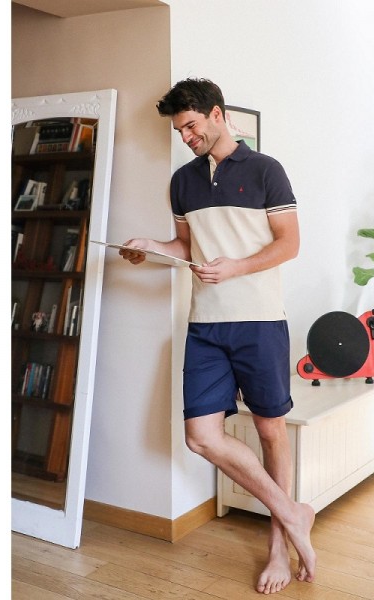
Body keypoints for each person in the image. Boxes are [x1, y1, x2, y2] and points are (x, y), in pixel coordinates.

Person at [119, 78, 316, 594]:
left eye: (190, 126)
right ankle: (293, 513)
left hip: (260, 322)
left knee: (271, 432)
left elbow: (289, 244)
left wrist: (236, 268)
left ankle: (278, 548)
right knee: (201, 436)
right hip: (205, 325)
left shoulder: (267, 170)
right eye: (179, 131)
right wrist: (150, 247)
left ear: (216, 114)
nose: (186, 137)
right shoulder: (182, 181)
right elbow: (186, 247)